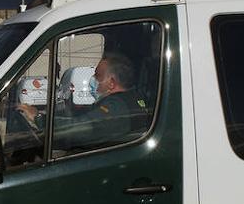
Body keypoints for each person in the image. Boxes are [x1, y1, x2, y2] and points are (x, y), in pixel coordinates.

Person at [20, 53, 149, 152]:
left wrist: (40, 119)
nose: (93, 80)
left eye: (97, 76)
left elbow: (83, 129)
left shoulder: (117, 108)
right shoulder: (128, 100)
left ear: (111, 83)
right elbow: (82, 117)